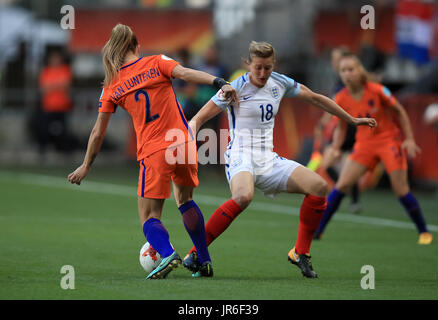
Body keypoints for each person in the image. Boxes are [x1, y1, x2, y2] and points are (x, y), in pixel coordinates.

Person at [183, 41, 376, 278]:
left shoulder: (280, 82)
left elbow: (315, 98)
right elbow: (198, 119)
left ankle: (300, 253)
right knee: (243, 196)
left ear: (274, 65)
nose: (263, 73)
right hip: (240, 155)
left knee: (319, 187)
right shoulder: (234, 87)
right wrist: (190, 134)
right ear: (248, 65)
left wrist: (352, 120)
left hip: (268, 159)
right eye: (258, 68)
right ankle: (196, 253)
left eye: (268, 68)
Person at [67, 24, 239, 279]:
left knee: (149, 216)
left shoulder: (112, 85)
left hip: (155, 149)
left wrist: (86, 165)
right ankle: (203, 260)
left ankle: (168, 253)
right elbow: (186, 73)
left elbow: (97, 132)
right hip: (184, 143)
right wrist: (219, 82)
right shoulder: (158, 61)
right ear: (136, 46)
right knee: (185, 200)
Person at [314, 53, 433, 245]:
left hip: (388, 141)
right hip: (364, 144)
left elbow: (400, 112)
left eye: (351, 69)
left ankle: (424, 231)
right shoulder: (341, 97)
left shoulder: (377, 90)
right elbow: (341, 127)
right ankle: (318, 231)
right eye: (343, 70)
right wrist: (336, 148)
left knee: (401, 190)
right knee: (342, 185)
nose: (347, 74)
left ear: (360, 71)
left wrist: (409, 139)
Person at [38, 49, 75, 154]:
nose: (55, 60)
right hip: (48, 106)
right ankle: (42, 151)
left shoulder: (65, 70)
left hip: (63, 106)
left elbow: (66, 86)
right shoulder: (46, 71)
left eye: (57, 58)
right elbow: (44, 89)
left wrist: (52, 86)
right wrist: (58, 85)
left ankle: (64, 151)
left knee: (64, 130)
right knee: (44, 129)